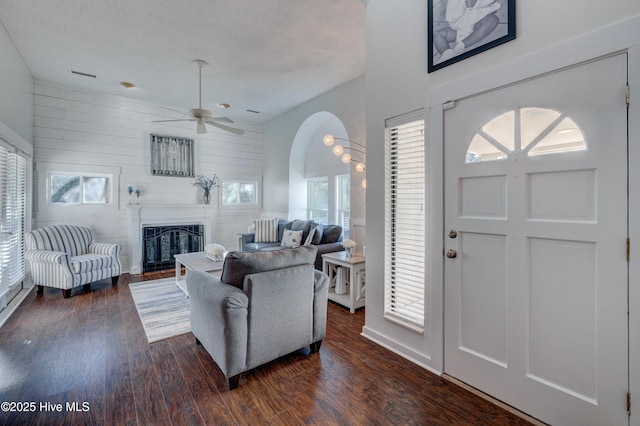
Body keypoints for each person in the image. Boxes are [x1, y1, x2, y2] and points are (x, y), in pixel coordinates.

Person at [434, 0, 501, 63]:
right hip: (457, 28)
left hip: (476, 24)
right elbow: (452, 19)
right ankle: (447, 53)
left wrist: (475, 4)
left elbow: (493, 7)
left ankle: (461, 45)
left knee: (493, 20)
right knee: (438, 35)